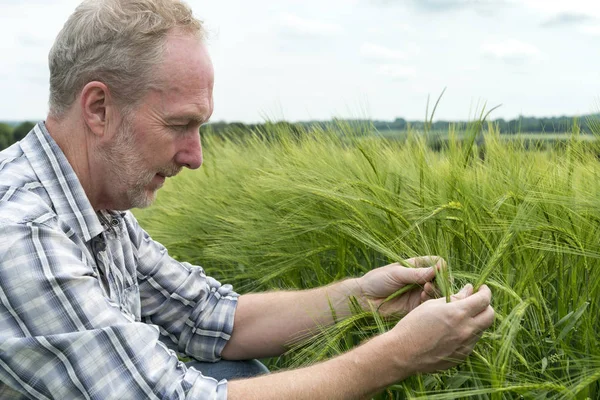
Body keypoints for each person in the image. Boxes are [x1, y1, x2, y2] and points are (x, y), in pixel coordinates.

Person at [0, 0, 495, 398]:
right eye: (179, 125)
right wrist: (398, 356)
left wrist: (362, 298)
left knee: (239, 371)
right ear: (99, 108)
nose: (195, 158)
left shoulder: (98, 208)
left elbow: (207, 317)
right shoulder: (21, 231)